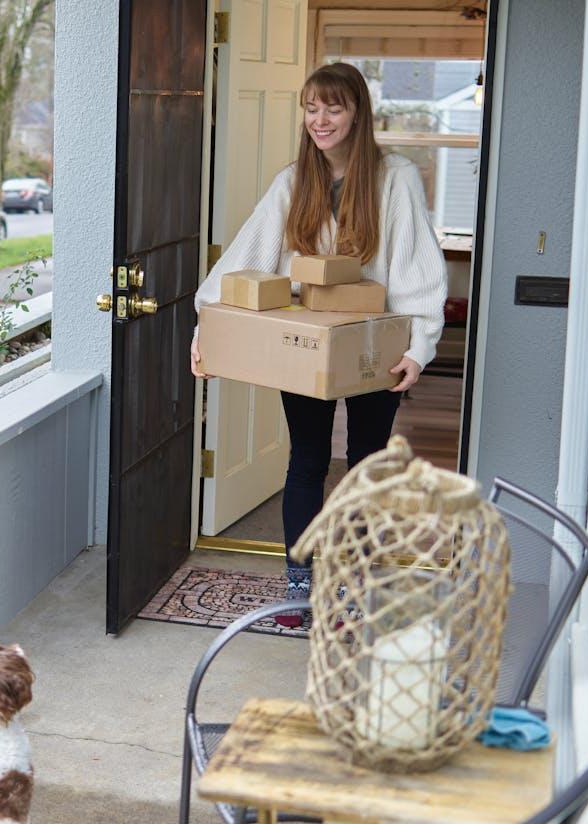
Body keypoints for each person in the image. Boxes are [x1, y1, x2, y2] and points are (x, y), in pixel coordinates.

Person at [191, 61, 448, 621]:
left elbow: (415, 267)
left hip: (374, 345)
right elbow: (245, 258)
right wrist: (207, 326)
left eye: (334, 107)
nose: (320, 119)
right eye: (311, 107)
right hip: (308, 347)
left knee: (363, 465)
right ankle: (299, 583)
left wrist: (420, 345)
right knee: (306, 460)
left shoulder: (395, 177)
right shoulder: (293, 182)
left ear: (358, 112)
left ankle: (355, 581)